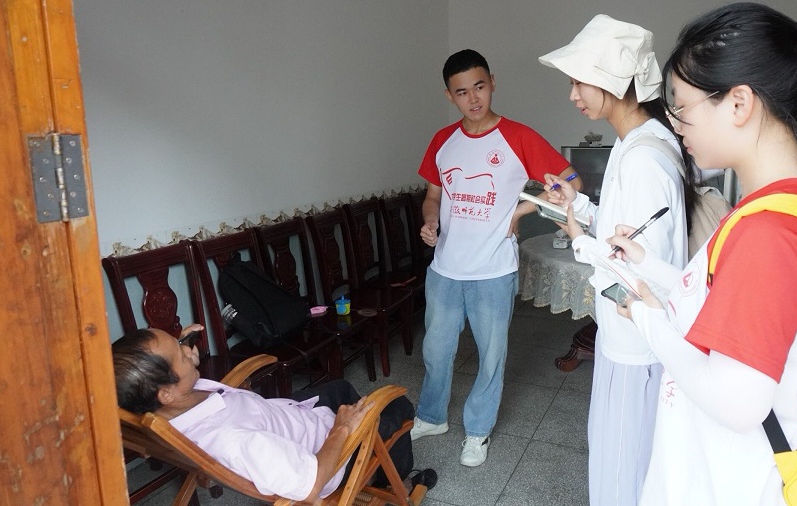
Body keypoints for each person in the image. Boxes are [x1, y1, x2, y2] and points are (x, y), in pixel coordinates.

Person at [605, 3, 797, 504]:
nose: (676, 125)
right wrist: (649, 264)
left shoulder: (770, 233)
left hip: (726, 482)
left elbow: (737, 403)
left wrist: (649, 322)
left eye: (682, 107)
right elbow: (729, 298)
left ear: (738, 103)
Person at [537, 14, 694, 505]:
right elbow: (625, 226)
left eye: (578, 82)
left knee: (625, 466)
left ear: (615, 81)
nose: (572, 95)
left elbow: (639, 265)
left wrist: (579, 238)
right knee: (623, 457)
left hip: (635, 340)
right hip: (626, 334)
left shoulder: (644, 155)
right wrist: (579, 206)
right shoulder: (637, 141)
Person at [412, 48, 579, 467]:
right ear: (449, 95)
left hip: (493, 270)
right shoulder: (442, 141)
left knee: (491, 357)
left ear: (492, 83)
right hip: (445, 269)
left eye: (480, 87)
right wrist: (430, 220)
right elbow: (433, 195)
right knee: (435, 350)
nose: (473, 98)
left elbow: (571, 181)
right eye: (462, 92)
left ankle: (478, 431)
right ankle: (431, 417)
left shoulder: (518, 137)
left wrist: (522, 211)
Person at [112, 326, 436, 502]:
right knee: (397, 406)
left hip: (284, 416)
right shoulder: (232, 440)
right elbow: (311, 485)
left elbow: (178, 377)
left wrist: (180, 348)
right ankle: (397, 481)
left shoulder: (162, 409)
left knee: (339, 388)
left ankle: (366, 433)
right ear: (166, 393)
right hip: (322, 453)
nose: (189, 350)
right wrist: (343, 428)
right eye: (181, 353)